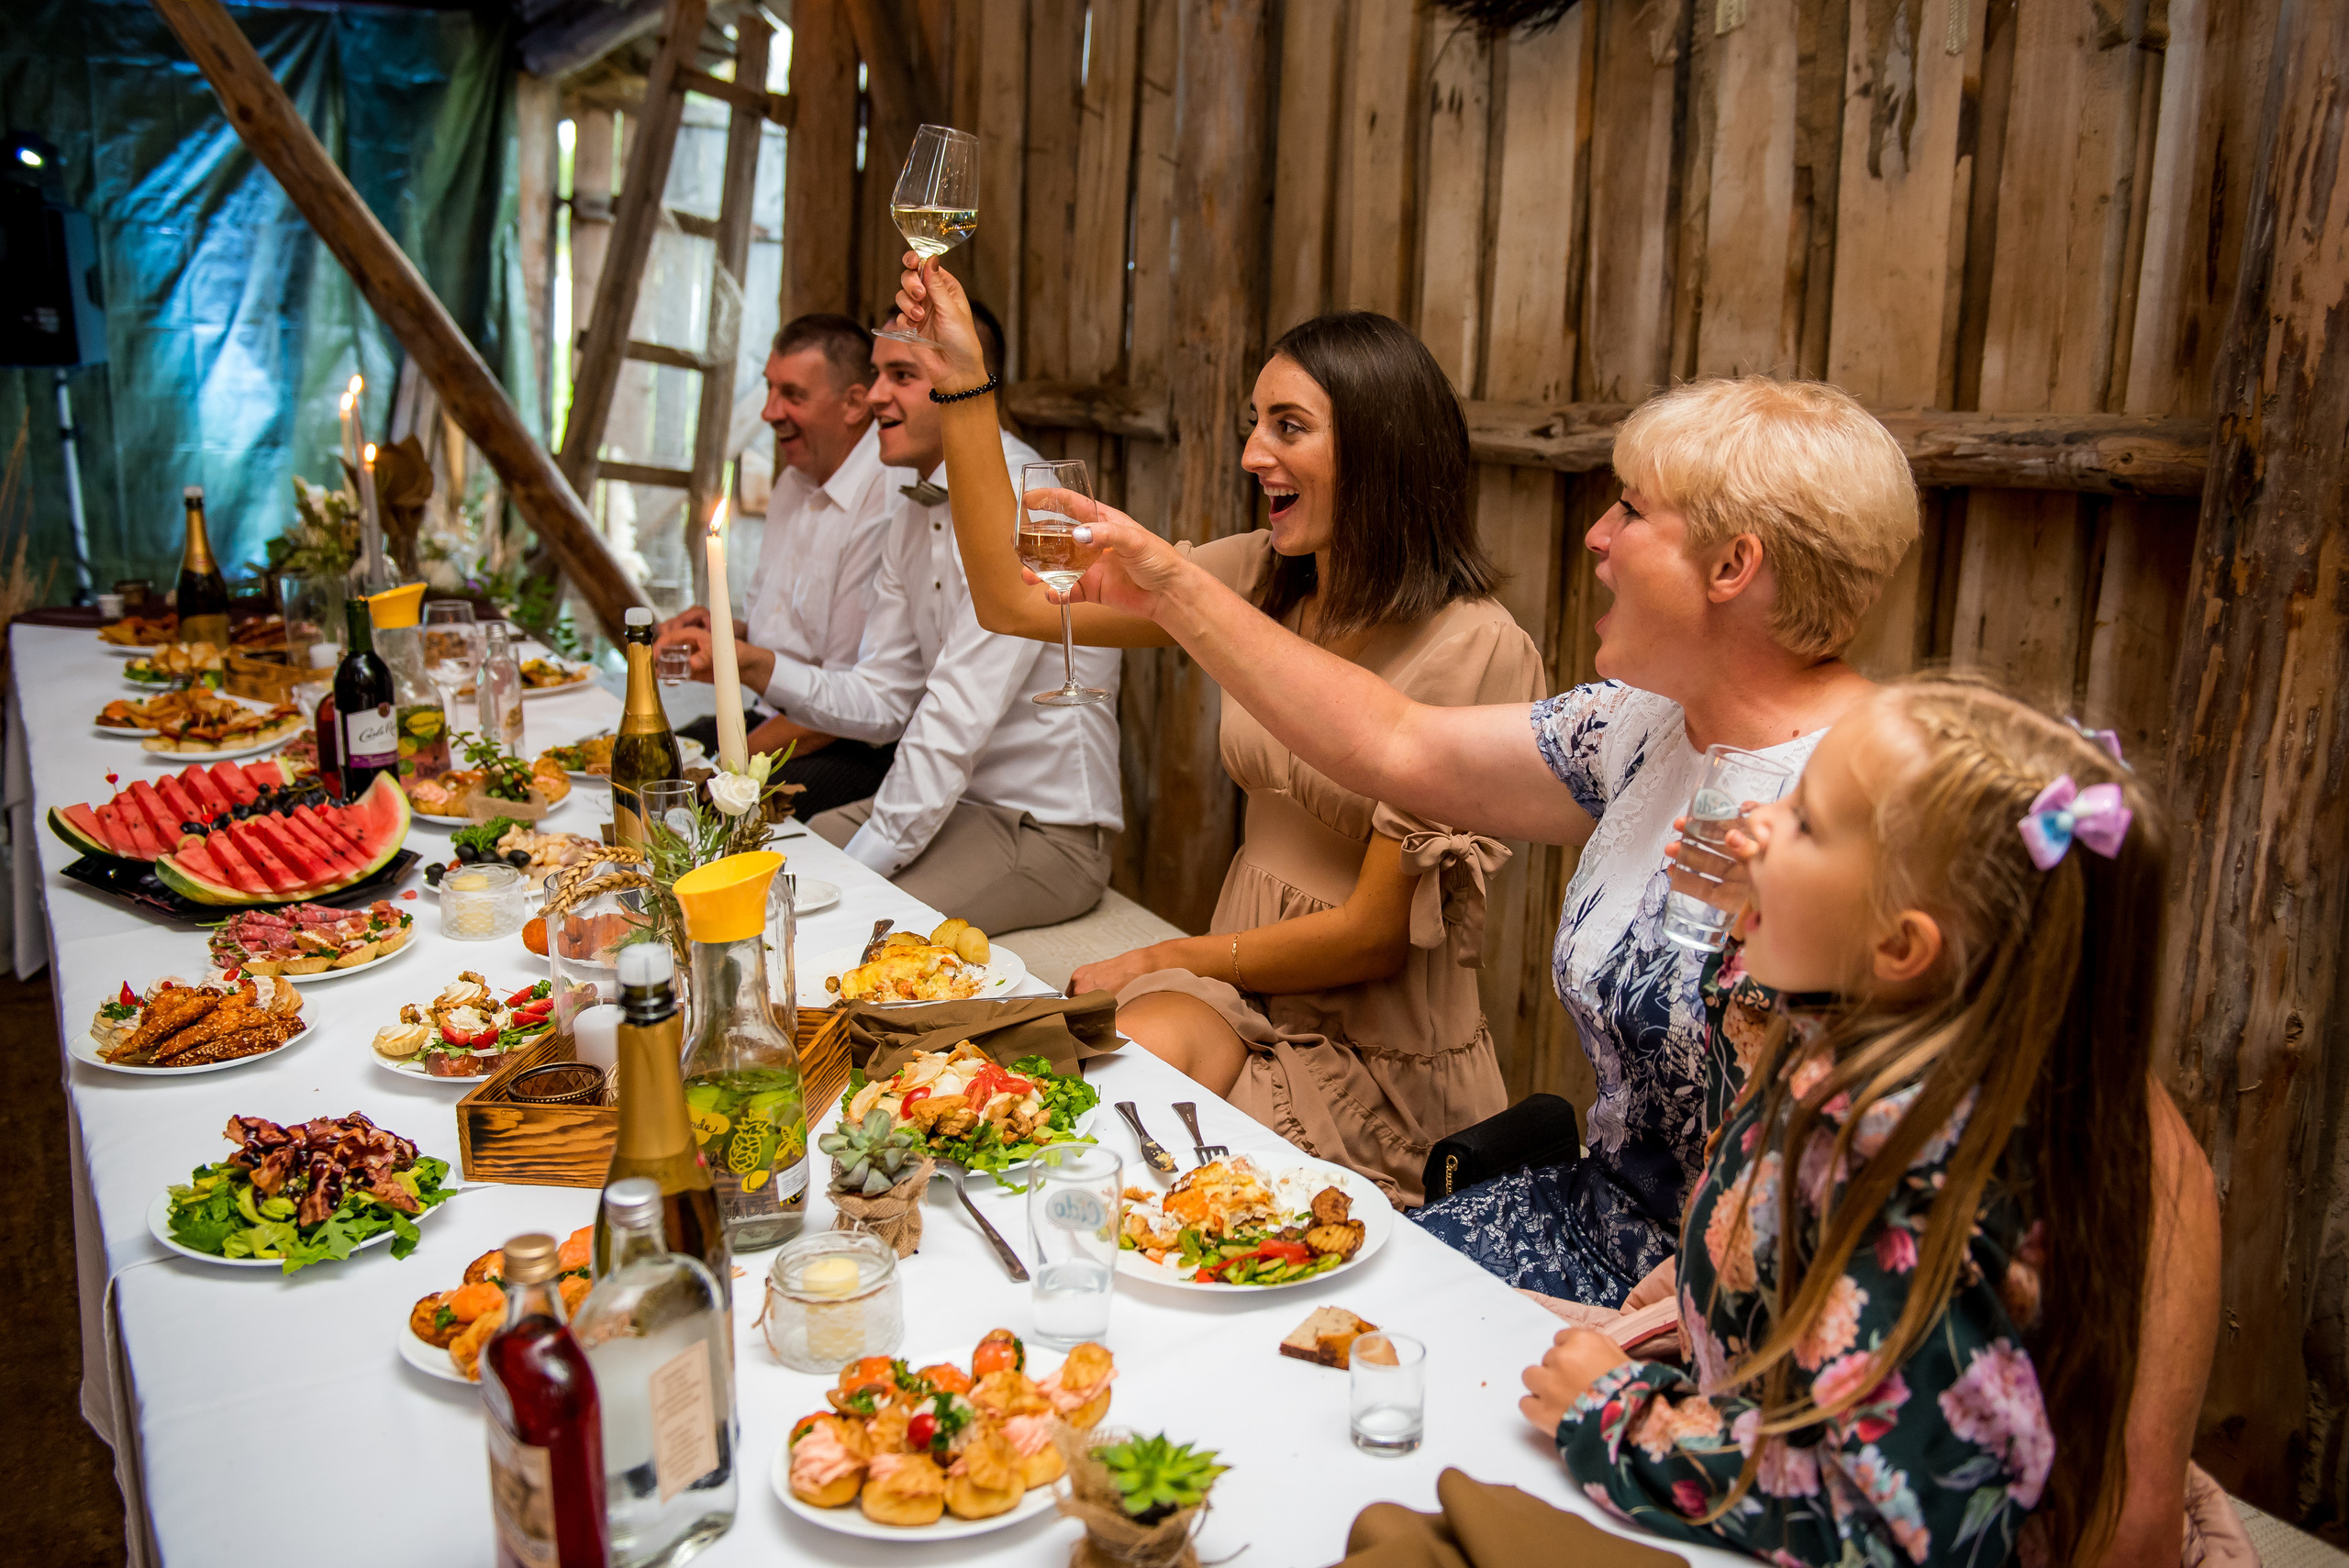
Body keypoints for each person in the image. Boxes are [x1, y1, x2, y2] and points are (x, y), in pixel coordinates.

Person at [908, 344, 1919, 1293]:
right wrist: (1171, 582)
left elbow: (1876, 1183)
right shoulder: (1639, 727)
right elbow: (1396, 742)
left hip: (1714, 1285)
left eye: (1628, 510)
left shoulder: (1869, 794)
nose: (1595, 537)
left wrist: (1664, 1323)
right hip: (1592, 1219)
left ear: (1733, 566)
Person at [1517, 680, 2232, 1568]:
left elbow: (1877, 1521)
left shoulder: (1923, 1191)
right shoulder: (1871, 1043)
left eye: (1806, 822)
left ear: (1899, 949)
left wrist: (1620, 1419)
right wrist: (1772, 907)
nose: (1761, 822)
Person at [894, 260, 1543, 1206]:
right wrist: (964, 386)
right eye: (1254, 422)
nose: (1250, 454)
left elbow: (1373, 938)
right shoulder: (1260, 578)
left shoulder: (1475, 648)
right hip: (1236, 993)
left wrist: (1165, 955)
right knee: (1063, 1112)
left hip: (1367, 1053)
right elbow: (1011, 597)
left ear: (1380, 447)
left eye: (1288, 425)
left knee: (1150, 1169)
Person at [747, 300, 1124, 933]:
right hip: (957, 808)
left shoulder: (1025, 503)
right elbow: (884, 701)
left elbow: (952, 717)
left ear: (963, 384)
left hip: (1044, 828)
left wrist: (859, 872)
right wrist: (761, 667)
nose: (873, 397)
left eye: (902, 375)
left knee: (844, 924)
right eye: (875, 375)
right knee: (780, 863)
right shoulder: (909, 515)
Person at [654, 313, 902, 818]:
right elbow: (795, 637)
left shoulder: (886, 501)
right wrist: (723, 633)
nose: (770, 412)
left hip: (848, 744)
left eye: (793, 394)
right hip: (771, 716)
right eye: (770, 389)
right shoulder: (793, 483)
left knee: (696, 810)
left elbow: (852, 702)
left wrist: (730, 765)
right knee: (643, 763)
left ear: (856, 403)